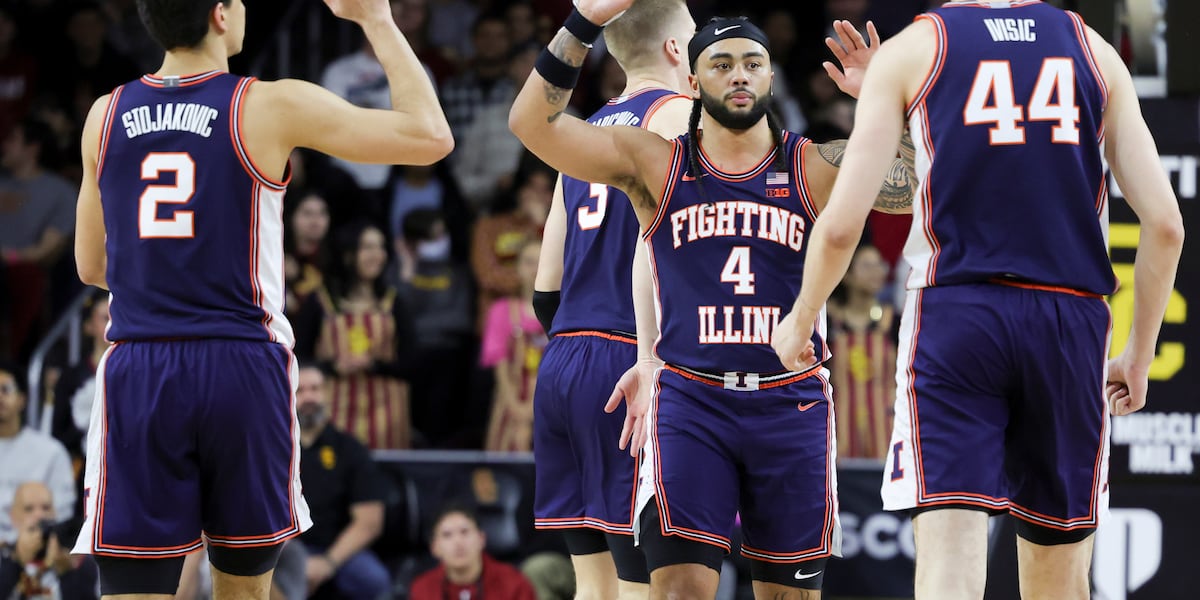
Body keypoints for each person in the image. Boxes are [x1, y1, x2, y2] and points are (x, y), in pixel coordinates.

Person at [771, 2, 1185, 599]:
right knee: (1059, 575)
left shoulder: (915, 48)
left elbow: (841, 226)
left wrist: (803, 316)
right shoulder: (1094, 48)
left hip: (957, 313)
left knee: (949, 559)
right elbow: (1166, 226)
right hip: (1069, 321)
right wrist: (1137, 357)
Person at [510, 5, 913, 597]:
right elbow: (532, 125)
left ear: (772, 77)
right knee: (673, 590)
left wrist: (884, 99)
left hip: (788, 402)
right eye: (721, 64)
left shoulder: (812, 162)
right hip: (691, 402)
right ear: (692, 81)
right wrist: (583, 23)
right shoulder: (654, 160)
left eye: (753, 63)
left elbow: (916, 182)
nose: (740, 75)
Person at [70, 0, 451, 597]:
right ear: (220, 15)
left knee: (132, 585)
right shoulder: (266, 104)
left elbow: (93, 267)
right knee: (245, 587)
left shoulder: (105, 114)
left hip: (141, 364)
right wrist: (376, 19)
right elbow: (430, 136)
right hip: (240, 363)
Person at [527, 0, 693, 595]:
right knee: (640, 586)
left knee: (592, 587)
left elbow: (545, 290)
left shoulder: (582, 132)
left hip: (566, 361)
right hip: (632, 362)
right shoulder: (684, 118)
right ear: (679, 51)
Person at [294, 364, 391, 599]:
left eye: (315, 389)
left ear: (327, 394)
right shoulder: (273, 449)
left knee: (374, 580)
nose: (309, 397)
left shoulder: (351, 450)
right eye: (300, 390)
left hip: (339, 551)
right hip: (286, 549)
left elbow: (370, 521)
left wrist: (327, 563)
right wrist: (290, 558)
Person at [480, 239, 546, 452]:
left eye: (541, 261)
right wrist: (518, 410)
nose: (535, 269)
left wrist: (533, 409)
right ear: (517, 268)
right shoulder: (501, 310)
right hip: (510, 406)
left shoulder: (565, 313)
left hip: (551, 407)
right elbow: (499, 367)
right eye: (528, 262)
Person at [0, 365, 75, 546]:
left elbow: (62, 513)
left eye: (5, 389)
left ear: (22, 399)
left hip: (40, 553)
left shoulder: (51, 452)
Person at [408, 504, 537, 600]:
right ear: (434, 547)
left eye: (465, 532)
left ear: (481, 539)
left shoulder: (514, 583)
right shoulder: (422, 588)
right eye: (447, 535)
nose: (458, 542)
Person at [0, 482, 97, 600]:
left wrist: (66, 572)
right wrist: (17, 560)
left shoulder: (76, 560)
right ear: (13, 516)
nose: (39, 515)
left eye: (46, 508)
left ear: (54, 513)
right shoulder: (3, 559)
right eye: (28, 509)